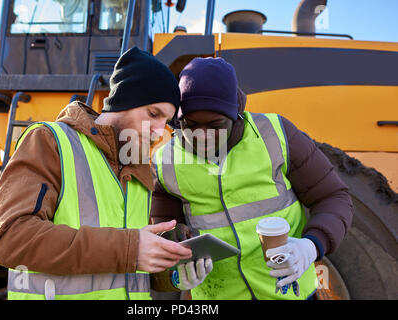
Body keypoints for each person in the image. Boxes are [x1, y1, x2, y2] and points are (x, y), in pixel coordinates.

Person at [0, 47, 212, 300]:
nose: (159, 131)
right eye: (153, 114)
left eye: (167, 121)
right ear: (124, 101)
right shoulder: (50, 141)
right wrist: (130, 249)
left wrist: (174, 275)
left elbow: (128, 271)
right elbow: (10, 239)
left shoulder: (140, 171)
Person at [151, 57, 354, 300]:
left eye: (216, 125)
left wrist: (311, 246)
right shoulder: (166, 160)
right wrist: (176, 265)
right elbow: (167, 228)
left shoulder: (276, 135)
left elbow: (333, 197)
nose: (202, 137)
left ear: (236, 113)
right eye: (190, 125)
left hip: (289, 293)